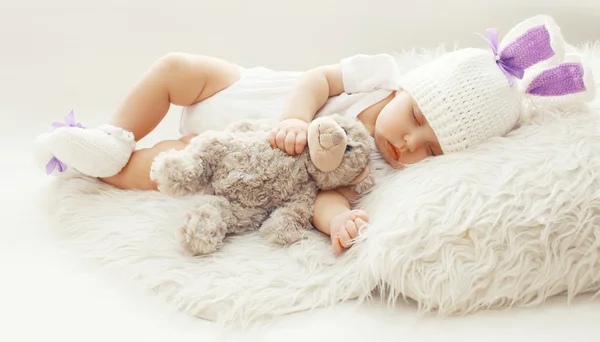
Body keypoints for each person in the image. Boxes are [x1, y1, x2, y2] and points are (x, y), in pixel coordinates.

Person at [33, 15, 576, 254]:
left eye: (431, 148)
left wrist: (339, 222)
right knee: (177, 67)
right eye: (415, 118)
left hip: (230, 155)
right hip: (238, 92)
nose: (410, 142)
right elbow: (318, 79)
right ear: (408, 90)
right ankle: (113, 134)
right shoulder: (378, 77)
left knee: (165, 167)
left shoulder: (375, 167)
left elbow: (328, 194)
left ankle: (94, 164)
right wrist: (297, 117)